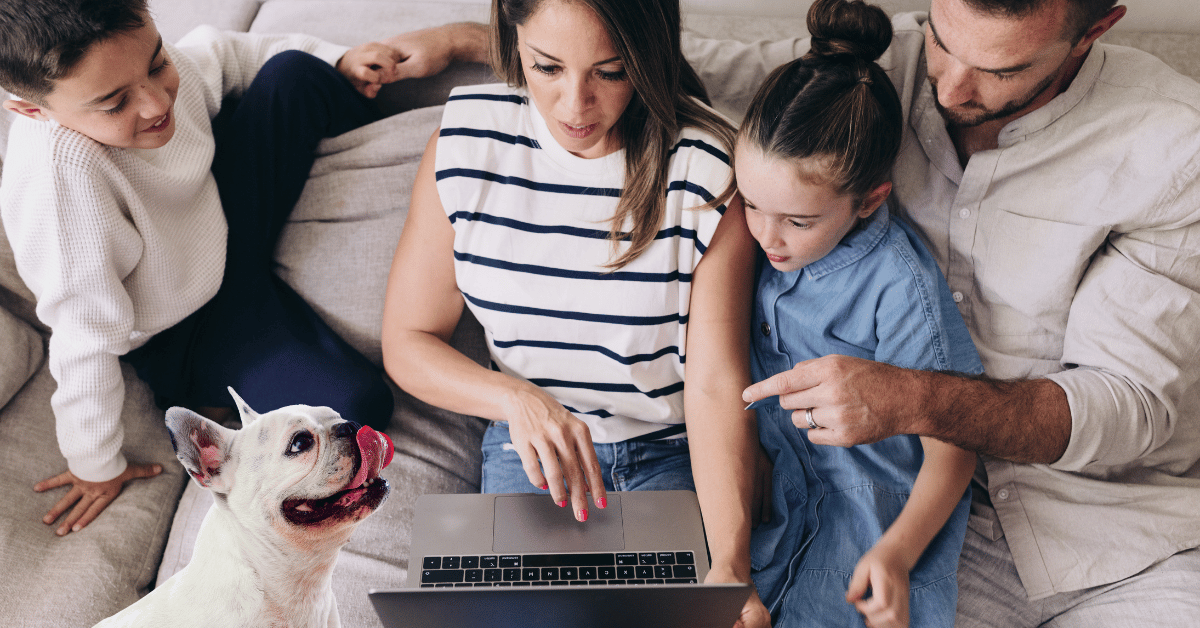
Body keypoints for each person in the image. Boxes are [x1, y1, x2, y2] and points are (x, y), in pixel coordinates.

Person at [705, 0, 1200, 625]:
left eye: (1003, 70)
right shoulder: (867, 68)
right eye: (942, 40)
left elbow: (1129, 407)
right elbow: (660, 67)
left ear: (1092, 33)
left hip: (1116, 539)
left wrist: (914, 399)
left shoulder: (1174, 145)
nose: (951, 86)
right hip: (936, 534)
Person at [380, 0, 764, 615]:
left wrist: (729, 564)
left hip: (668, 452)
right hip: (530, 452)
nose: (573, 105)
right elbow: (408, 339)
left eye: (610, 72)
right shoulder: (467, 144)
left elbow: (717, 387)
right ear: (513, 45)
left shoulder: (709, 170)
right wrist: (517, 400)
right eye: (547, 67)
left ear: (647, 57)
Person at [0, 0, 439, 537]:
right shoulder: (61, 190)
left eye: (158, 64)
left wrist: (340, 59)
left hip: (221, 222)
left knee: (296, 73)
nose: (158, 100)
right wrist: (96, 466)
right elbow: (83, 341)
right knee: (356, 409)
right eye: (114, 102)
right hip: (186, 327)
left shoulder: (138, 67)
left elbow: (227, 55)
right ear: (30, 110)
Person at [734, 2, 981, 626]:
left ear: (870, 201)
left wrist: (896, 554)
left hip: (872, 516)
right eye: (753, 204)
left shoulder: (899, 284)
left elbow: (955, 446)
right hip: (773, 495)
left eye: (799, 220)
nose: (769, 236)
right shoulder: (752, 241)